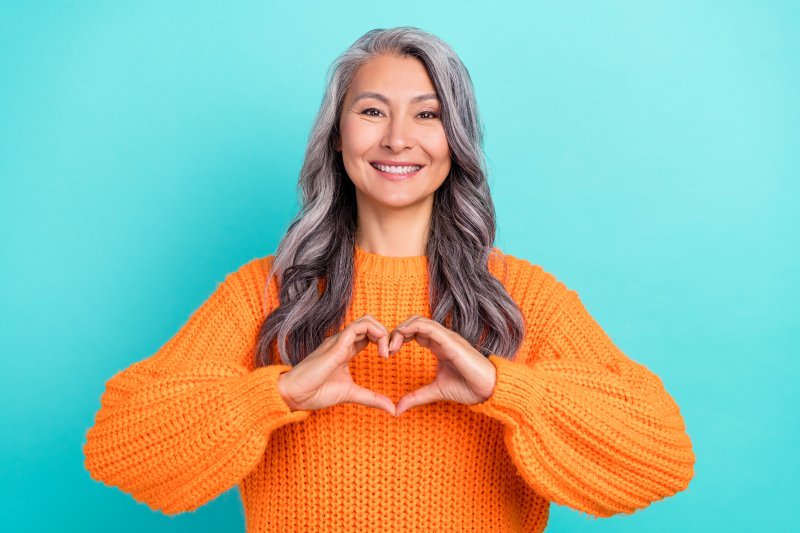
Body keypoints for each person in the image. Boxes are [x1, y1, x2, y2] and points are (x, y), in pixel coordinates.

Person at [83, 26, 696, 532]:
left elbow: (661, 456)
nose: (398, 138)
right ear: (337, 135)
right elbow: (118, 447)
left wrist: (504, 389)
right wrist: (279, 395)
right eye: (372, 111)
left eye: (427, 114)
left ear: (455, 140)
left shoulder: (524, 300)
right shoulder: (265, 294)